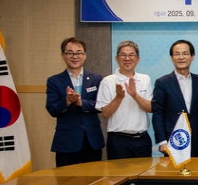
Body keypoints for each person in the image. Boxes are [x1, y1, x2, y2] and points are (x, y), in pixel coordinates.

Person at [45, 37, 105, 167]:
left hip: (92, 141)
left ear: (85, 55)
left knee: (94, 178)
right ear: (63, 55)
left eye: (79, 53)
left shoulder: (97, 79)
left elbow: (101, 105)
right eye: (70, 53)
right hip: (66, 142)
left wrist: (80, 102)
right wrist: (67, 101)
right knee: (66, 179)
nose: (74, 56)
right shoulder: (54, 81)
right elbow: (52, 109)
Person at [95, 40, 153, 159]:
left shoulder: (145, 79)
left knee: (144, 171)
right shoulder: (108, 81)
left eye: (131, 55)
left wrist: (135, 95)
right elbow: (105, 114)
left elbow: (151, 108)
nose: (127, 58)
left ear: (138, 59)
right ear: (117, 58)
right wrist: (119, 97)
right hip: (118, 141)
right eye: (123, 55)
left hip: (142, 140)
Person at [152, 39, 198, 157]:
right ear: (171, 57)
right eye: (177, 54)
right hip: (173, 141)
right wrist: (162, 141)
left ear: (192, 56)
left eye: (185, 53)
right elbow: (157, 113)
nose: (181, 57)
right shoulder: (162, 83)